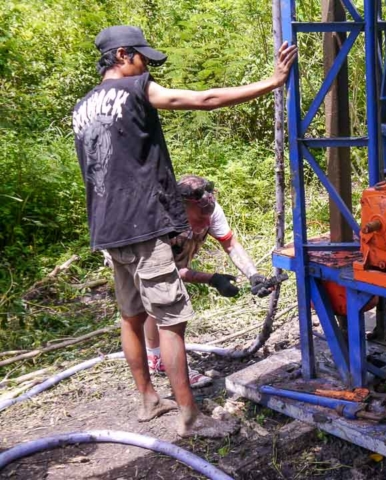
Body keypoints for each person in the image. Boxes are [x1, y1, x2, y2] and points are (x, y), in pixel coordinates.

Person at [72, 25, 296, 437]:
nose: (146, 66)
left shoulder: (82, 106)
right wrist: (273, 81)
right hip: (143, 222)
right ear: (122, 55)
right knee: (172, 321)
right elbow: (204, 100)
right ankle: (191, 417)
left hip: (108, 227)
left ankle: (147, 399)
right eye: (142, 58)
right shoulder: (136, 89)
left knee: (131, 316)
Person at [144, 174, 272, 388]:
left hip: (173, 260)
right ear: (181, 208)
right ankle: (158, 359)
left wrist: (253, 274)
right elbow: (167, 273)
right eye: (199, 219)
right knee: (157, 303)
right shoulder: (163, 219)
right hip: (142, 258)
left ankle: (156, 355)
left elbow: (230, 244)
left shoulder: (210, 210)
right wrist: (212, 279)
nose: (205, 223)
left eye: (208, 218)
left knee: (159, 305)